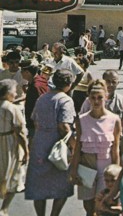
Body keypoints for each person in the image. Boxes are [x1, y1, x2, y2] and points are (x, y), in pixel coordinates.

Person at [25, 69, 77, 216]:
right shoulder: (65, 100)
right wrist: (74, 147)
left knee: (39, 186)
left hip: (40, 143)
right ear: (68, 84)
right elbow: (64, 126)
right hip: (57, 146)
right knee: (62, 185)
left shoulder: (42, 98)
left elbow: (34, 120)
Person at [70, 80, 122, 216]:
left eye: (100, 97)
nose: (96, 101)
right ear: (88, 98)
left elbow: (115, 147)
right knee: (89, 207)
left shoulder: (114, 119)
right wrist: (73, 169)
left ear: (106, 97)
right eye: (93, 98)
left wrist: (116, 171)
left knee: (103, 205)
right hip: (87, 166)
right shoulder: (81, 120)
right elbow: (78, 147)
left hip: (106, 167)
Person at [0, 79, 29, 216]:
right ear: (7, 93)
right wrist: (26, 150)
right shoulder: (12, 108)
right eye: (13, 91)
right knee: (13, 173)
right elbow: (20, 131)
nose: (16, 93)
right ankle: (4, 208)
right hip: (9, 143)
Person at [21, 60, 51, 139]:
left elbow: (41, 104)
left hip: (36, 123)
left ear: (27, 72)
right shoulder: (38, 80)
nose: (21, 73)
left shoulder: (36, 86)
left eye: (22, 71)